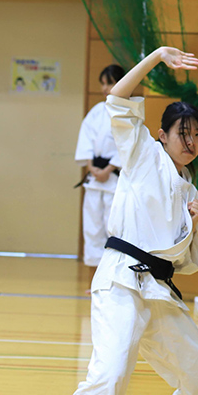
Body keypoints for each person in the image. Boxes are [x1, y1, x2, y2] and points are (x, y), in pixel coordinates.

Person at [39, 47, 198, 395]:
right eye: (183, 133)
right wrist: (158, 56)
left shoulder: (192, 192)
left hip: (159, 292)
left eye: (197, 135)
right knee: (112, 371)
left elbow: (188, 263)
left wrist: (196, 224)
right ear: (163, 135)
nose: (191, 142)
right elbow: (117, 99)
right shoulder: (143, 153)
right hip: (121, 281)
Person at [76, 64, 126, 283]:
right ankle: (92, 280)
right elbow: (85, 139)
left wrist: (110, 168)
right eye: (103, 83)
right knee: (92, 228)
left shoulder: (127, 112)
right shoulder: (97, 111)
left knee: (114, 229)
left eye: (111, 83)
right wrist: (90, 166)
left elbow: (128, 146)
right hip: (94, 180)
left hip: (115, 179)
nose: (106, 88)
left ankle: (113, 280)